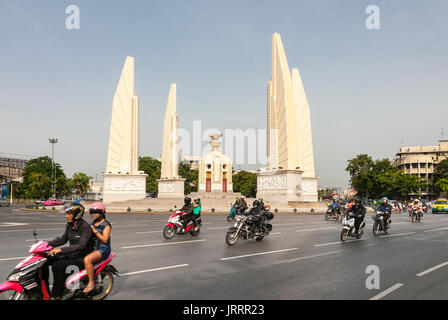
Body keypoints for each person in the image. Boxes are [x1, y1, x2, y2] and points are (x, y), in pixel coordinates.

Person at [44, 204, 94, 299]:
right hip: (72, 254)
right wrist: (46, 245)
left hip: (81, 256)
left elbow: (81, 245)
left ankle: (57, 294)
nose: (66, 216)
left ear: (76, 215)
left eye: (69, 214)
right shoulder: (70, 225)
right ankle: (44, 291)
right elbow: (63, 239)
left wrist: (61, 250)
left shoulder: (85, 227)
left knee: (57, 265)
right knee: (45, 260)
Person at [83, 202, 112, 294]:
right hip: (93, 247)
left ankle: (91, 283)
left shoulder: (106, 225)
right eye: (92, 212)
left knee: (87, 259)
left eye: (96, 212)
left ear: (102, 212)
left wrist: (95, 231)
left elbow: (105, 240)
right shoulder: (92, 223)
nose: (93, 214)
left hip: (103, 248)